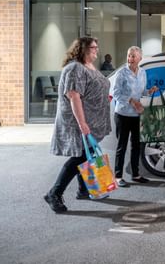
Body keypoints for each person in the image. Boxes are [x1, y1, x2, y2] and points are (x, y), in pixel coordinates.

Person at [44, 37, 112, 213]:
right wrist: (82, 122)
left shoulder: (87, 66)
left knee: (86, 154)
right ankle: (54, 193)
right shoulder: (75, 68)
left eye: (97, 47)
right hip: (77, 122)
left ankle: (84, 189)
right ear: (82, 49)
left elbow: (91, 89)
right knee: (80, 156)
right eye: (93, 47)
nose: (97, 50)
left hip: (91, 120)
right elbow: (73, 95)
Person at [113, 46, 158, 187]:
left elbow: (142, 92)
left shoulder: (143, 72)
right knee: (122, 146)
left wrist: (149, 92)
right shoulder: (122, 73)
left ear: (140, 58)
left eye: (133, 56)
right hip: (123, 114)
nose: (130, 59)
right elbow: (115, 93)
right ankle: (118, 176)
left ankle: (136, 174)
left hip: (137, 114)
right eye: (129, 56)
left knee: (136, 146)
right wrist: (131, 101)